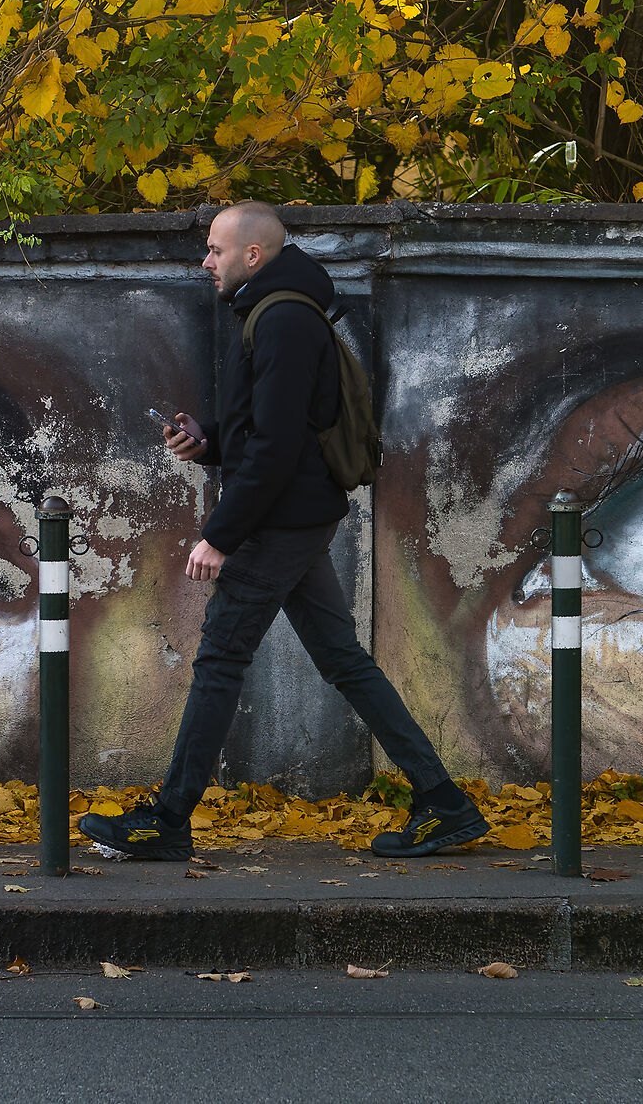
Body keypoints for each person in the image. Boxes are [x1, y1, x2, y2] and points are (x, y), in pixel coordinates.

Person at [78, 202, 489, 861]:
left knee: (220, 658)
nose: (205, 262)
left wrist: (220, 534)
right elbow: (268, 430)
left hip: (281, 520)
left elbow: (276, 449)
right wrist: (209, 440)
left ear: (252, 255)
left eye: (215, 250)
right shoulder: (273, 313)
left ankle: (169, 821)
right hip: (295, 514)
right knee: (342, 660)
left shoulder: (284, 319)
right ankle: (445, 802)